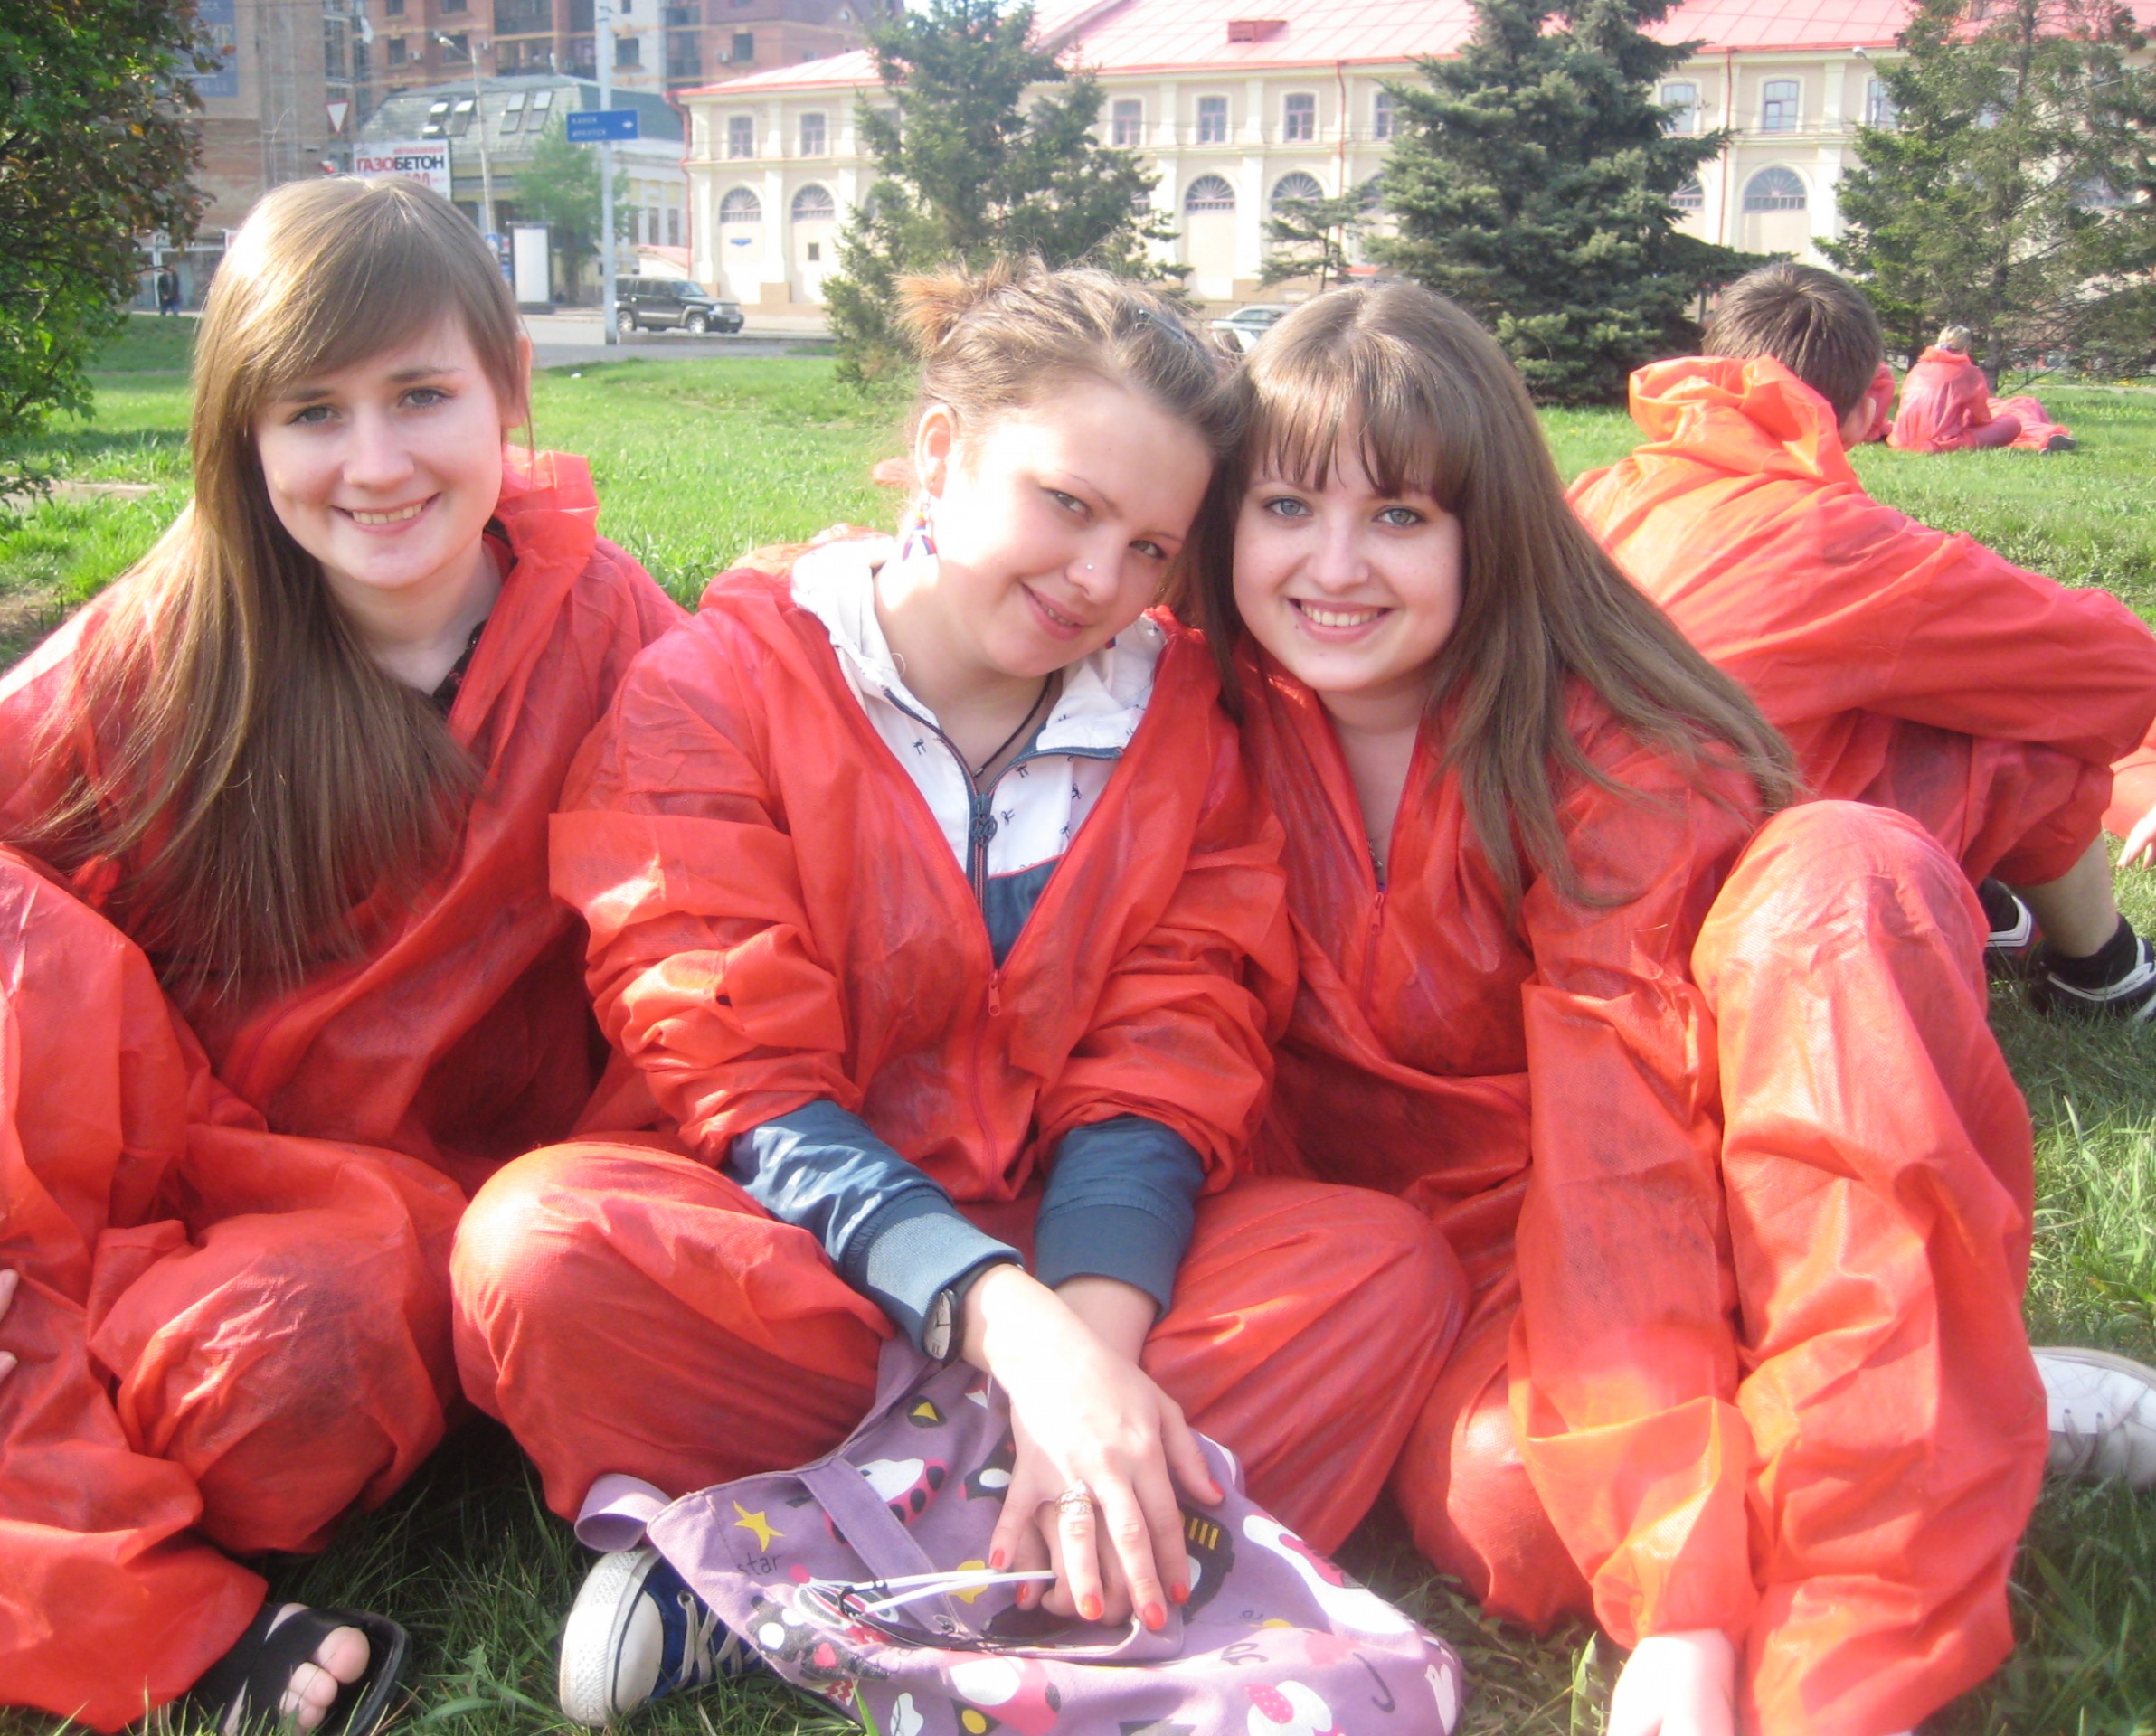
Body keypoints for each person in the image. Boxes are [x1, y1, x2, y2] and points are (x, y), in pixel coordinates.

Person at [449, 260, 1469, 1725]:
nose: (1098, 580)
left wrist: (1089, 1349)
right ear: (939, 452)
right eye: (1067, 505)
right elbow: (740, 1079)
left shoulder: (1186, 719)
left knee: (1380, 1273)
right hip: (800, 1261)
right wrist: (1019, 1343)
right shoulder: (717, 687)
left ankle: (777, 1562)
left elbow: (1173, 1052)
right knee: (541, 1249)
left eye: (1149, 546)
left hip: (1090, 1255)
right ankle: (1068, 1549)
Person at [0, 176, 682, 1732]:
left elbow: (701, 945)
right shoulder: (174, 641)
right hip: (122, 1175)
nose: (375, 465)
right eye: (312, 413)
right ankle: (110, 1599)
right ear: (244, 436)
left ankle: (71, 1432)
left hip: (394, 1238)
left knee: (283, 1381)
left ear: (508, 388)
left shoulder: (617, 632)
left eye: (419, 395)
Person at [1187, 280, 2052, 1736]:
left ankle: (1886, 1436)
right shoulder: (1192, 707)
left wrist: (1686, 1609)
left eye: (1399, 515)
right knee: (1517, 1516)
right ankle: (1933, 1398)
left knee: (1845, 874)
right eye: (1286, 506)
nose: (1334, 566)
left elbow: (1622, 1139)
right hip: (1441, 1255)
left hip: (1696, 1202)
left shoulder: (1613, 744)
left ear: (1492, 528)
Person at [1569, 264, 2156, 1021]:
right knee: (2027, 729)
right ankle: (2102, 973)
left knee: (1858, 702)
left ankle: (1986, 909)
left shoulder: (1595, 493)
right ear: (1873, 401)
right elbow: (2116, 664)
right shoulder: (1850, 545)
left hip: (1569, 880)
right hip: (1706, 917)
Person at [1890, 325, 2074, 452]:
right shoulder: (1968, 371)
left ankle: (2039, 441)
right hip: (1936, 444)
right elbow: (1981, 419)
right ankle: (2040, 440)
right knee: (2011, 424)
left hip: (1900, 440)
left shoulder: (1918, 367)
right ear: (1966, 348)